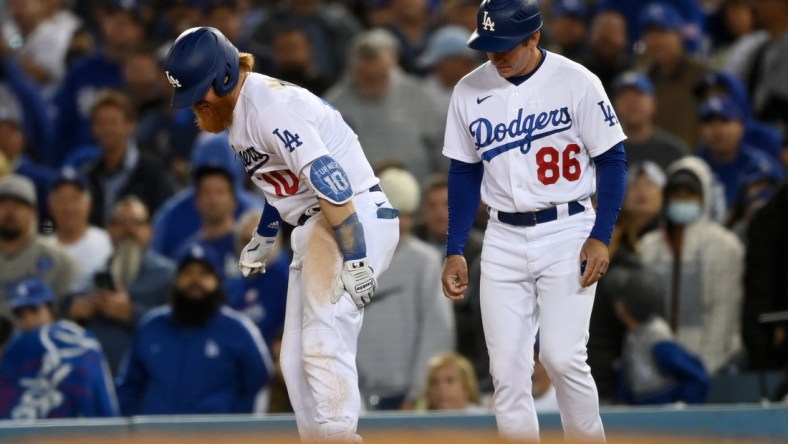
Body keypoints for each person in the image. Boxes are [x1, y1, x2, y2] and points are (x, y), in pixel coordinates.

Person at [163, 27, 400, 442]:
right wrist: (266, 233)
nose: (196, 106)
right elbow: (285, 184)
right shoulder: (238, 115)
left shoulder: (271, 108)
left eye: (201, 93)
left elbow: (331, 182)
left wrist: (357, 255)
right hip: (318, 223)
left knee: (324, 337)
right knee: (292, 361)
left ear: (223, 77)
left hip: (349, 215)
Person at [440, 0, 627, 441]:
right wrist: (454, 248)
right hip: (502, 235)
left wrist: (602, 235)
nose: (496, 56)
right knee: (506, 372)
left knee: (562, 358)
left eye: (505, 46)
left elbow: (613, 160)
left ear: (534, 38)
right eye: (488, 46)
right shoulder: (469, 89)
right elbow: (464, 171)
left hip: (568, 228)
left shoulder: (577, 81)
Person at [115, 244, 272, 415]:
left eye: (204, 274)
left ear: (217, 281)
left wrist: (240, 433)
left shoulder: (239, 329)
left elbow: (258, 384)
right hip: (156, 435)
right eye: (188, 272)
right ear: (175, 280)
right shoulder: (151, 326)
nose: (195, 281)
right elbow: (129, 385)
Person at [356, 167, 455, 411]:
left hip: (405, 399)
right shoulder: (352, 259)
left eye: (407, 215)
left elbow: (437, 332)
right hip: (355, 396)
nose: (400, 223)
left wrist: (417, 393)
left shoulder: (425, 261)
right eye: (392, 213)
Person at [640, 157, 744, 375]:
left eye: (690, 193)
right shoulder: (647, 247)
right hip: (659, 367)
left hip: (713, 368)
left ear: (704, 196)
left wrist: (702, 371)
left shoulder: (725, 247)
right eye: (677, 193)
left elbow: (723, 314)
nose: (682, 199)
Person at [64, 196, 175, 375]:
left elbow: (181, 325)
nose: (129, 229)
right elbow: (63, 317)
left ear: (149, 231)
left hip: (148, 374)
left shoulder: (168, 275)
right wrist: (75, 314)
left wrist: (132, 313)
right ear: (109, 230)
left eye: (137, 223)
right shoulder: (90, 277)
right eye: (121, 222)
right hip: (94, 374)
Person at [0, 278, 118, 419]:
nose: (29, 320)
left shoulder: (78, 338)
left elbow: (99, 395)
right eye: (22, 315)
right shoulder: (15, 349)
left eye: (34, 311)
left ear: (51, 309)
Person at [614, 271, 709, 405]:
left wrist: (683, 406)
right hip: (641, 416)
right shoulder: (632, 336)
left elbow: (697, 376)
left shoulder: (657, 336)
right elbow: (628, 379)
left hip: (665, 416)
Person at [0, 174, 78, 319]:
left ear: (34, 214)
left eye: (18, 205)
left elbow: (69, 315)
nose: (9, 212)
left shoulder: (61, 262)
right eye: (3, 205)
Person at [610, 72, 689, 171]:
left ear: (654, 103)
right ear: (614, 105)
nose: (632, 103)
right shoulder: (602, 151)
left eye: (639, 95)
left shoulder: (674, 152)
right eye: (625, 96)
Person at [415, 352, 483, 412]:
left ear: (466, 387)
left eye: (449, 380)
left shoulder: (487, 420)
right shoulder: (418, 423)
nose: (441, 387)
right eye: (434, 382)